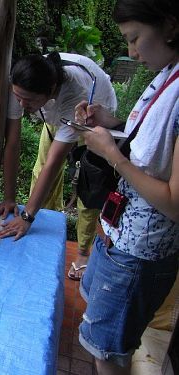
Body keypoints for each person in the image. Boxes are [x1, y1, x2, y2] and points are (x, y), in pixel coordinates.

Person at [74, 0, 178, 373]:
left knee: (108, 354)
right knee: (100, 338)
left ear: (169, 24)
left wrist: (113, 156)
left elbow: (174, 203)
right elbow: (154, 150)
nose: (132, 51)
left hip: (140, 251)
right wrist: (112, 123)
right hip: (118, 233)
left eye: (135, 39)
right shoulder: (167, 73)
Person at [0, 51, 117, 282]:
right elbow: (13, 142)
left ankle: (82, 253)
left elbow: (54, 163)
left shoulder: (74, 92)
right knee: (40, 173)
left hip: (92, 117)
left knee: (90, 190)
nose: (21, 104)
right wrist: (9, 198)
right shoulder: (23, 83)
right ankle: (42, 224)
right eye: (18, 97)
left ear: (50, 90)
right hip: (58, 116)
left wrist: (26, 217)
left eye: (27, 101)